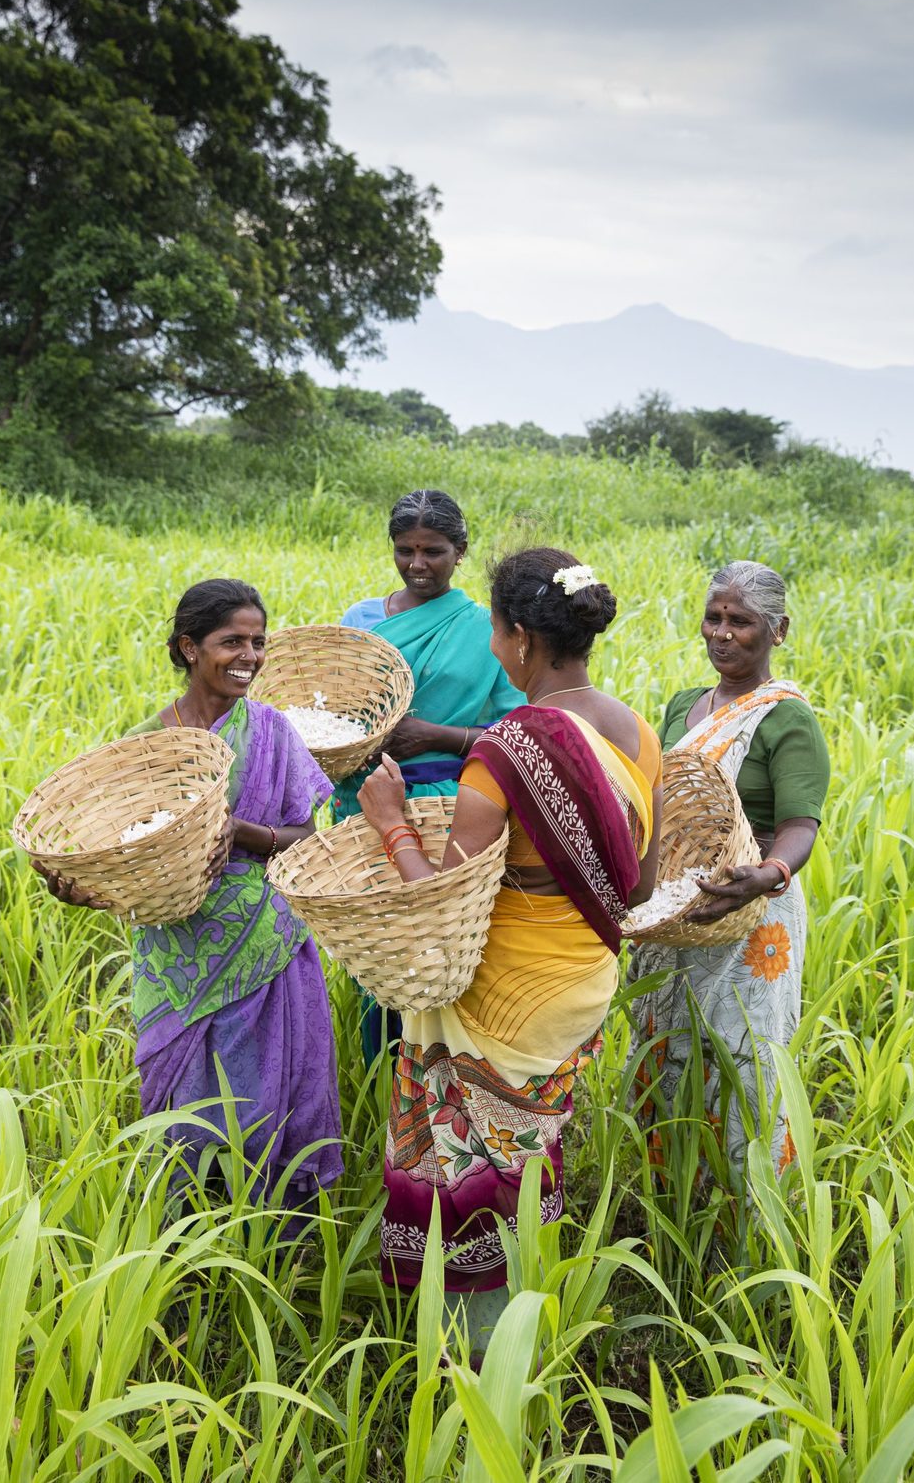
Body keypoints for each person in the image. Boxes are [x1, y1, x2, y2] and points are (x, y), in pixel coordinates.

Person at [358, 547, 661, 1356]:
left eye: (495, 632)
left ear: (522, 638)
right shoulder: (638, 731)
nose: (493, 647)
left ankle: (477, 1351)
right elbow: (639, 886)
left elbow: (441, 903)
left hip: (498, 992)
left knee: (470, 1161)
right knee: (531, 1147)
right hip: (580, 986)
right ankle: (531, 1314)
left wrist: (389, 817)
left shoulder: (505, 749)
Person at [43, 579, 343, 1209]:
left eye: (258, 642)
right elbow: (124, 855)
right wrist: (80, 888)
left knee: (262, 1101)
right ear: (188, 647)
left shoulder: (271, 733)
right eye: (231, 641)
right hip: (174, 950)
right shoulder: (148, 744)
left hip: (262, 942)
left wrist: (237, 831)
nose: (250, 656)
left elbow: (303, 836)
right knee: (185, 1104)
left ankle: (269, 1238)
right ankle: (190, 1240)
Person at [627, 560, 830, 1175]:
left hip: (753, 911)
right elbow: (663, 800)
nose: (721, 633)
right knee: (666, 1049)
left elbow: (800, 824)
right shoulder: (684, 706)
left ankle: (751, 1217)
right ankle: (673, 1200)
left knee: (747, 1059)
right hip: (680, 906)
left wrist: (765, 875)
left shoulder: (786, 718)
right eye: (713, 618)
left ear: (778, 630)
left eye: (739, 621)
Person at [338, 488, 525, 1063]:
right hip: (364, 802)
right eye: (405, 550)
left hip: (448, 805)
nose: (418, 565)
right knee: (376, 946)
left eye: (433, 551)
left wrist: (437, 736)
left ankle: (441, 1078)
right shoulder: (361, 619)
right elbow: (336, 706)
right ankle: (378, 1080)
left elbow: (517, 730)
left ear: (460, 552)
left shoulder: (482, 627)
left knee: (436, 947)